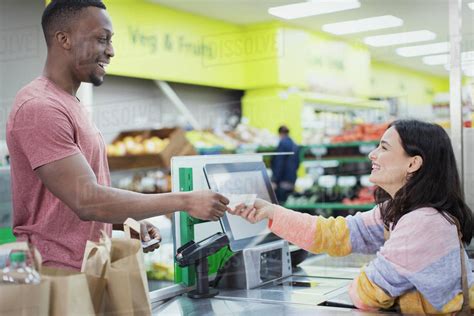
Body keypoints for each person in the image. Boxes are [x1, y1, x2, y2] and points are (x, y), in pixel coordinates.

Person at [5, 0, 229, 271]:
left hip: (88, 267)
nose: (110, 51)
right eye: (102, 39)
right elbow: (87, 200)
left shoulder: (69, 104)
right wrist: (186, 200)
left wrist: (123, 219)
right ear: (64, 39)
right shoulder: (40, 107)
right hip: (56, 276)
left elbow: (66, 204)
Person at [232, 119, 474, 314]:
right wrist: (273, 212)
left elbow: (365, 293)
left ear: (413, 164)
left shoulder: (423, 222)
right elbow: (336, 233)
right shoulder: (400, 209)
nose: (372, 154)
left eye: (384, 147)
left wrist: (377, 273)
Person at [271, 125, 299, 203]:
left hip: (282, 181)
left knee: (280, 204)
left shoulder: (282, 144)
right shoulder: (295, 144)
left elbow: (279, 163)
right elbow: (297, 163)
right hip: (291, 180)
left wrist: (275, 180)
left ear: (280, 133)